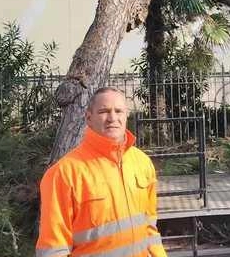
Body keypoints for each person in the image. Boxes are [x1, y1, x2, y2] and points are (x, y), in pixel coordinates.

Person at [36, 87, 166, 257]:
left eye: (118, 111)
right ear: (88, 117)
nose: (112, 118)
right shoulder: (64, 174)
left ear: (126, 115)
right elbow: (54, 249)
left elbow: (150, 229)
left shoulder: (142, 163)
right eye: (104, 111)